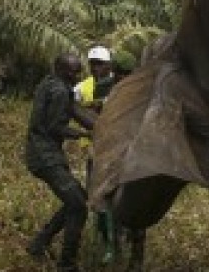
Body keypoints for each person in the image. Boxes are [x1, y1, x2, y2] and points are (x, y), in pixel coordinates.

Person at [25, 53, 96, 272]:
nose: (77, 76)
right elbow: (55, 127)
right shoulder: (59, 91)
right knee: (79, 206)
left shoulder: (49, 84)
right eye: (74, 72)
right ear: (63, 70)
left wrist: (99, 124)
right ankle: (67, 264)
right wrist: (84, 134)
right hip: (46, 156)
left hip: (41, 154)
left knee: (78, 199)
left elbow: (74, 110)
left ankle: (39, 244)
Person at [74, 46, 118, 264]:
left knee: (118, 194)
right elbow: (71, 107)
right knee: (97, 196)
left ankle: (115, 240)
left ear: (110, 64)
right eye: (92, 63)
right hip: (95, 149)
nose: (96, 67)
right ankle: (106, 240)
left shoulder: (121, 85)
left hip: (119, 148)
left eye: (100, 63)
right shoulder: (82, 88)